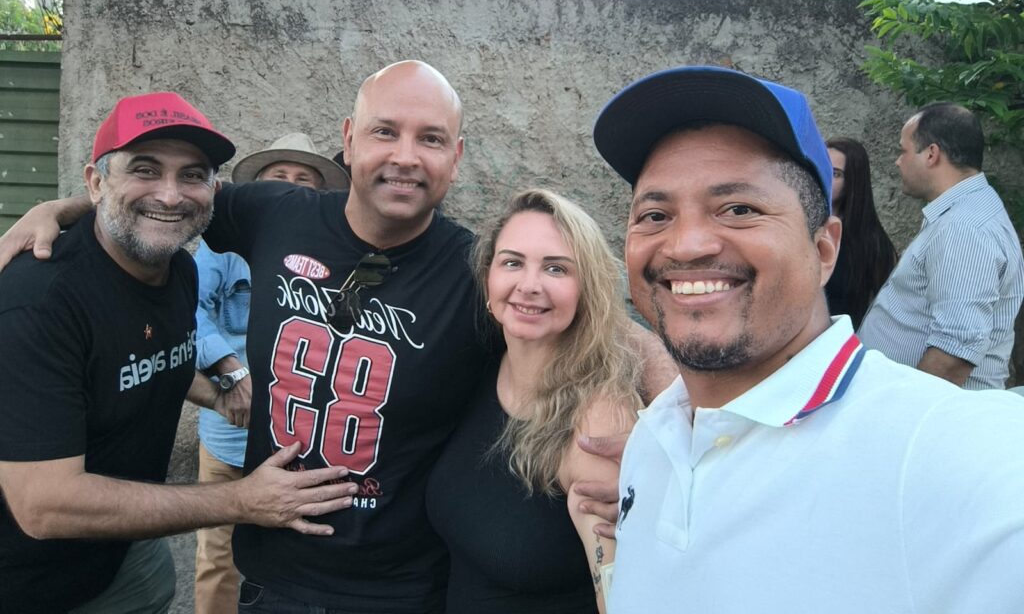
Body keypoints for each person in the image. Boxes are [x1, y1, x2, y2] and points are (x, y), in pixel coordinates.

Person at [0, 61, 650, 612]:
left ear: (455, 157)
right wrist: (63, 208)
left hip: (402, 588)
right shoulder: (271, 213)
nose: (404, 156)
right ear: (348, 140)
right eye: (385, 131)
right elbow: (171, 202)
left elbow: (593, 322)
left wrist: (680, 412)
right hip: (271, 577)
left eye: (430, 138)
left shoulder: (475, 270)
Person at [591, 65, 1024, 613]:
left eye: (739, 209)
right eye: (655, 214)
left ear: (823, 249)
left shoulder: (944, 452)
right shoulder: (654, 435)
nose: (687, 245)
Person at [0, 92, 356, 614]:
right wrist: (241, 500)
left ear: (213, 190)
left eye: (191, 175)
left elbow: (151, 358)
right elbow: (43, 505)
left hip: (125, 549)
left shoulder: (177, 269)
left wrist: (217, 395)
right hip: (32, 580)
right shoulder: (40, 302)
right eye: (145, 169)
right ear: (95, 182)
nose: (170, 195)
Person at [425, 189, 641, 614]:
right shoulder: (482, 366)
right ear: (488, 277)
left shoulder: (597, 420)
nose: (528, 285)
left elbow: (621, 597)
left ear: (587, 288)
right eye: (512, 262)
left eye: (556, 268)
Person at [193, 132, 350, 614]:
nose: (290, 187)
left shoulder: (331, 253)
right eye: (279, 177)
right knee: (218, 558)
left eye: (304, 180)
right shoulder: (221, 249)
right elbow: (186, 309)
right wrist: (231, 369)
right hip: (230, 435)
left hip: (299, 445)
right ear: (255, 188)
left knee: (297, 559)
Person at [859, 104, 1024, 389]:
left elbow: (953, 355)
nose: (898, 162)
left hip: (925, 410)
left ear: (931, 154)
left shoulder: (965, 227)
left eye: (903, 151)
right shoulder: (963, 214)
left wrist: (905, 410)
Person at [824, 136, 897, 328]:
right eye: (822, 167)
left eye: (835, 173)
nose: (825, 177)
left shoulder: (872, 242)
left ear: (853, 181)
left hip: (841, 339)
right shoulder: (802, 224)